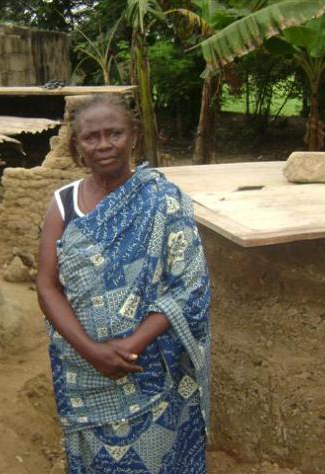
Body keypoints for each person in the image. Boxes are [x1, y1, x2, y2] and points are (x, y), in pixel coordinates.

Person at [36, 94, 211, 473]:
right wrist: (92, 351)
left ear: (133, 136)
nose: (104, 145)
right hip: (84, 367)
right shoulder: (64, 204)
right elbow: (47, 286)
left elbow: (189, 284)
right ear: (76, 145)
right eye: (91, 137)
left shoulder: (163, 200)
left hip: (150, 365)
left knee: (159, 455)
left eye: (114, 133)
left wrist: (131, 346)